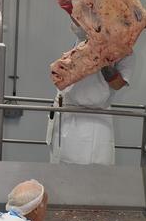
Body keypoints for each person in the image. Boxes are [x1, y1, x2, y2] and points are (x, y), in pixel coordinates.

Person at [48, 22, 135, 165]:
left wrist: (102, 59)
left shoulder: (125, 50)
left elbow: (118, 84)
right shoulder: (83, 36)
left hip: (96, 118)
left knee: (96, 176)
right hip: (67, 113)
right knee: (62, 173)